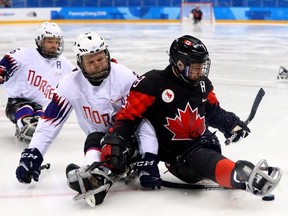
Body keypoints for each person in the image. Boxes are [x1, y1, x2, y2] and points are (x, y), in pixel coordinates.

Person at [100, 35, 282, 199]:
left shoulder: (203, 84)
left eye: (201, 67)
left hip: (203, 142)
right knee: (202, 159)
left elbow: (212, 111)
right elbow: (128, 118)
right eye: (194, 68)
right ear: (178, 64)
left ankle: (240, 174)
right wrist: (115, 143)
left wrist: (232, 125)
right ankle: (240, 176)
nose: (199, 73)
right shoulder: (151, 83)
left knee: (206, 154)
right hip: (178, 158)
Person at [15, 31, 158, 206]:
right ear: (80, 63)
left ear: (107, 55)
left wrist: (148, 156)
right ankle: (94, 172)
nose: (97, 65)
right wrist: (34, 154)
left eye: (100, 59)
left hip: (130, 139)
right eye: (90, 62)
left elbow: (145, 120)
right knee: (93, 139)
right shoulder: (69, 84)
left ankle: (99, 173)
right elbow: (50, 121)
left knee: (109, 142)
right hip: (98, 140)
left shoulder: (126, 77)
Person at [0, 21, 76, 143]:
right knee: (26, 109)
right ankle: (23, 124)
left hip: (40, 107)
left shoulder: (63, 63)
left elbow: (80, 78)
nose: (54, 46)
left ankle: (27, 126)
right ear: (40, 41)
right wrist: (2, 72)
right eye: (50, 41)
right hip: (15, 104)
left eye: (57, 42)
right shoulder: (24, 54)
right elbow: (5, 65)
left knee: (41, 120)